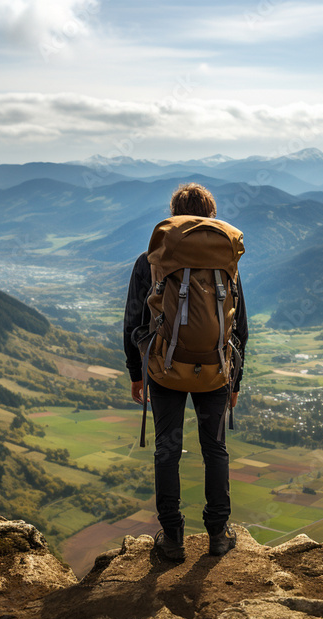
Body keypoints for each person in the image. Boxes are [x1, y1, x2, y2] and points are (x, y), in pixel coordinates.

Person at [122, 183, 247, 561]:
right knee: (215, 449)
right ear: (211, 215)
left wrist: (137, 372)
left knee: (168, 449)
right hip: (215, 369)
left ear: (174, 214)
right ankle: (218, 534)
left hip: (164, 369)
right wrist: (235, 380)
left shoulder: (151, 259)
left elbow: (133, 320)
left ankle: (173, 538)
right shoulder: (226, 259)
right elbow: (239, 324)